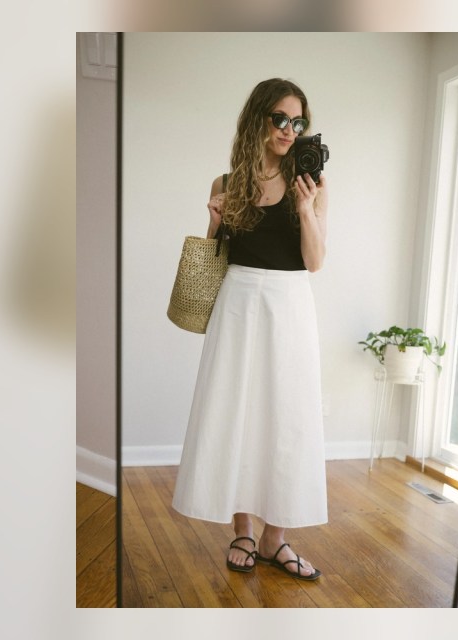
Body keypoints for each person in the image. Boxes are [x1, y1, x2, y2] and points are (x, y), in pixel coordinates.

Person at [171, 78, 329, 581]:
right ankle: (241, 528)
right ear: (259, 119)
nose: (289, 129)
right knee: (236, 411)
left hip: (289, 305)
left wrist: (306, 210)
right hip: (237, 304)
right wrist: (214, 222)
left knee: (290, 416)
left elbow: (315, 261)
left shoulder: (314, 184)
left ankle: (275, 538)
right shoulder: (226, 184)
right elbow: (212, 259)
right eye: (280, 118)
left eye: (298, 121)